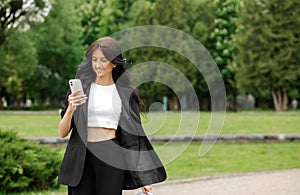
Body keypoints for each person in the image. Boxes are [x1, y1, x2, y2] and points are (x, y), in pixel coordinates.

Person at [58, 37, 167, 194]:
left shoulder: (124, 93)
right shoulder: (82, 88)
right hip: (82, 156)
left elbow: (136, 139)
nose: (97, 65)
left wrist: (144, 177)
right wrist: (71, 108)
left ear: (114, 62)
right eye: (94, 60)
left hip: (111, 154)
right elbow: (62, 132)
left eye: (103, 60)